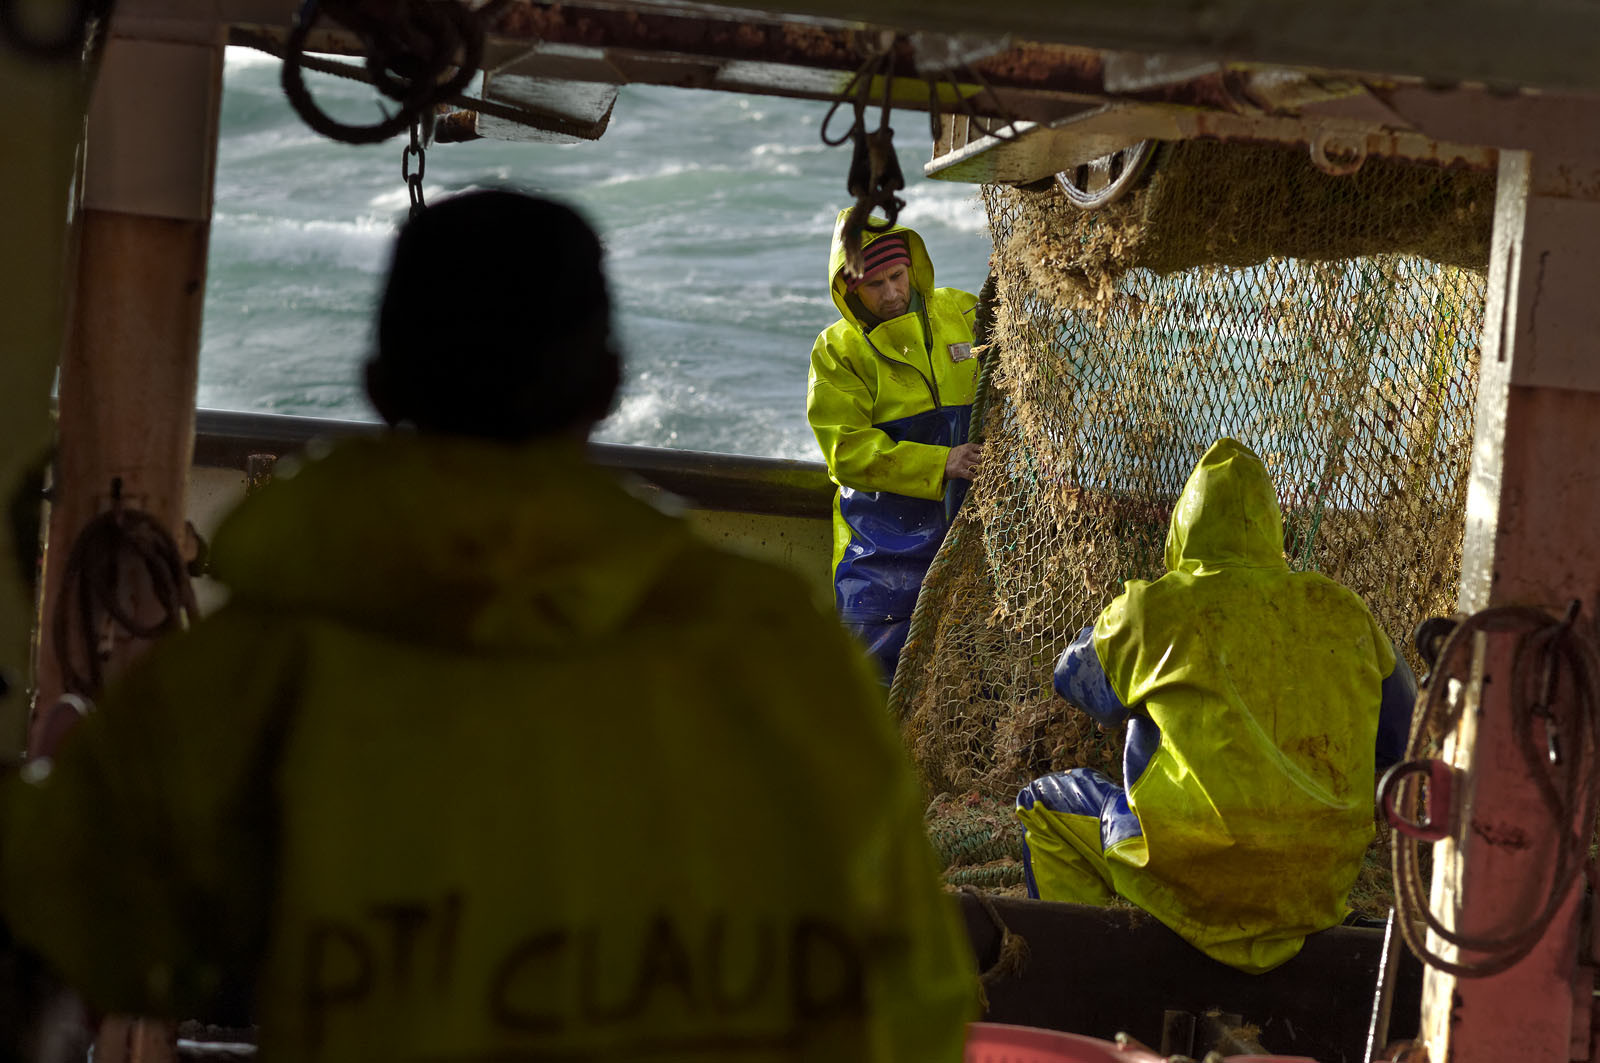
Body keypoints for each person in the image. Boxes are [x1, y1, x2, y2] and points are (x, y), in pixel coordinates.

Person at [0, 191, 977, 1061]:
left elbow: (60, 926)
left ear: (381, 387)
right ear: (605, 386)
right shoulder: (776, 652)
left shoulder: (256, 671)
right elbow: (911, 1004)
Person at [1016, 438, 1415, 974]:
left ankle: (1090, 980)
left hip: (1190, 875)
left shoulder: (1152, 608)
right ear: (1275, 534)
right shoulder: (1343, 611)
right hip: (1313, 887)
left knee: (1044, 805)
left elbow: (1076, 683)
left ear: (1182, 530)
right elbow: (1401, 732)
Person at [806, 213, 983, 683]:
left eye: (897, 277)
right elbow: (845, 451)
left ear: (913, 269)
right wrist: (940, 461)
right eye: (873, 284)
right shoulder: (837, 351)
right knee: (873, 676)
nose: (890, 294)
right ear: (848, 289)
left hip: (968, 531)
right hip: (879, 546)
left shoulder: (965, 312)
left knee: (972, 667)